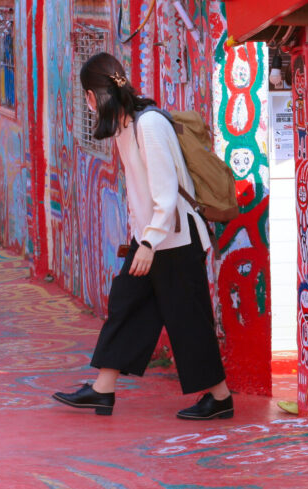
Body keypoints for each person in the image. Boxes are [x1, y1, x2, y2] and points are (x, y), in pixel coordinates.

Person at [52, 53, 232, 419]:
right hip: (153, 239)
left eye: (87, 96)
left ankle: (221, 398)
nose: (87, 105)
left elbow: (165, 192)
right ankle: (103, 390)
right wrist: (143, 239)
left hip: (175, 240)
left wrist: (148, 242)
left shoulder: (148, 125)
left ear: (96, 95)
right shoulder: (124, 126)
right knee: (127, 305)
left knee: (188, 319)